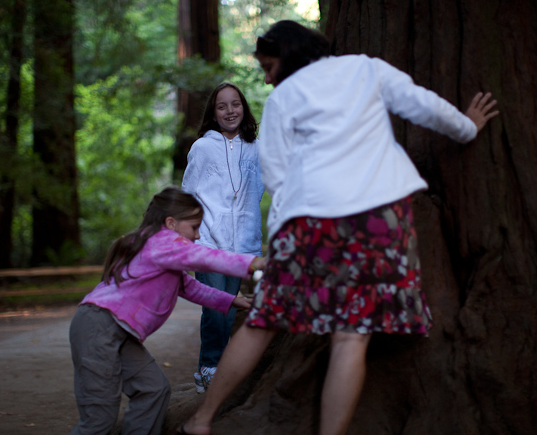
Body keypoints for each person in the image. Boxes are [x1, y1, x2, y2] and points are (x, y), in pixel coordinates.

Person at [179, 21, 499, 435]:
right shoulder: (366, 69)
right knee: (351, 337)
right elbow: (426, 107)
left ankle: (201, 421)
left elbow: (276, 175)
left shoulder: (283, 99)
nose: (267, 76)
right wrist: (468, 127)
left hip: (310, 223)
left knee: (263, 320)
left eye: (269, 65)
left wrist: (281, 238)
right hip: (378, 218)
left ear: (290, 53)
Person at [69, 187, 265, 435]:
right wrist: (252, 263)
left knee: (153, 390)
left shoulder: (160, 250)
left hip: (116, 331)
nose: (197, 235)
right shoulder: (162, 243)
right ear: (171, 223)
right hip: (99, 326)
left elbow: (190, 287)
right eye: (194, 227)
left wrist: (231, 301)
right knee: (99, 417)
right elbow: (206, 258)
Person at [181, 82, 265, 393]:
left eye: (235, 104)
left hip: (242, 244)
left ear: (243, 108)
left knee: (230, 308)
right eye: (222, 106)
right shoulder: (202, 147)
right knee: (215, 307)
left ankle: (214, 368)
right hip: (208, 242)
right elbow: (189, 193)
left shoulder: (256, 148)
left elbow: (262, 187)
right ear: (214, 115)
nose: (230, 111)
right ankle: (210, 366)